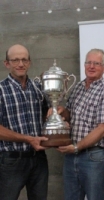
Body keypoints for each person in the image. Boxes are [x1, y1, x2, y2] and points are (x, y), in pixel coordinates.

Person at [54, 49, 104, 200]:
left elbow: (103, 129)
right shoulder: (78, 87)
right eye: (89, 62)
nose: (91, 66)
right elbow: (71, 116)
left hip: (93, 157)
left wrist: (77, 147)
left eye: (96, 63)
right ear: (84, 65)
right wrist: (62, 111)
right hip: (71, 155)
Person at [0, 44, 49, 200]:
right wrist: (28, 139)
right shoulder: (0, 90)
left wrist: (59, 115)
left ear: (29, 62)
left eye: (24, 60)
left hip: (39, 159)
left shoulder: (39, 88)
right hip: (11, 160)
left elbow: (47, 117)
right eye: (15, 60)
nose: (20, 64)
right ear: (6, 63)